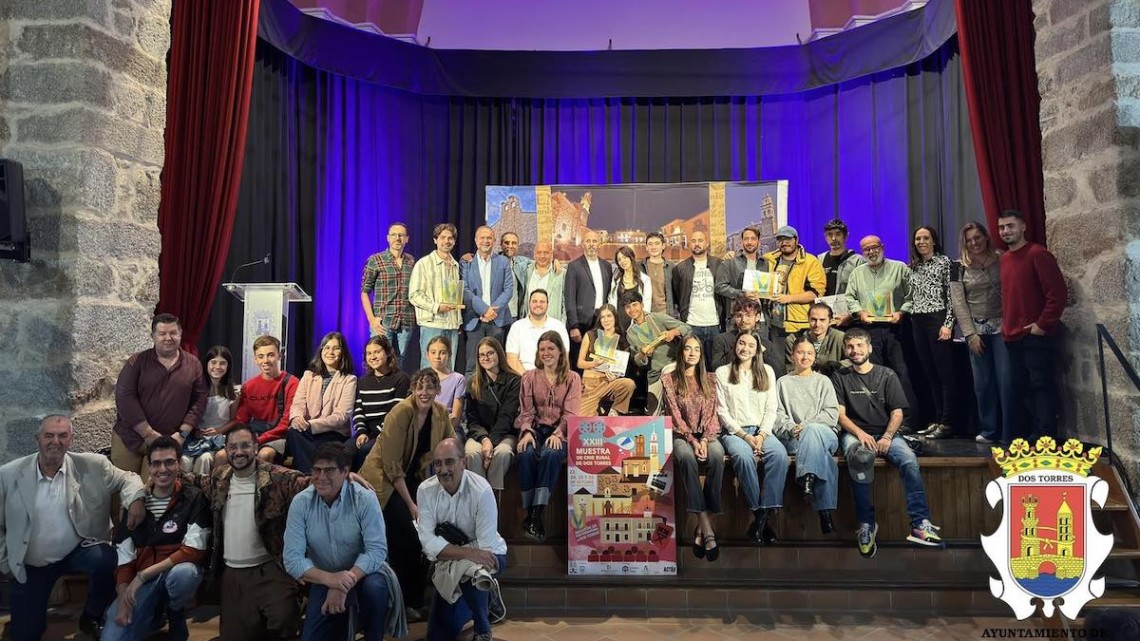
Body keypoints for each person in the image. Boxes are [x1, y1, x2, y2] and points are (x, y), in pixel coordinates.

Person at [0, 416, 146, 641]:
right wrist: (5, 560)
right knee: (26, 634)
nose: (55, 441)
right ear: (37, 439)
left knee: (108, 558)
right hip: (33, 563)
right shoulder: (8, 475)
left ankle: (92, 616)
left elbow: (128, 478)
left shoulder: (93, 465)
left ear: (71, 440)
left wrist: (136, 499)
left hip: (77, 549)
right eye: (49, 435)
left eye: (62, 436)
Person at [188, 424, 315, 640]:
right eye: (233, 447)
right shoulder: (220, 478)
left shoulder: (277, 477)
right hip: (232, 574)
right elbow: (197, 480)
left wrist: (348, 478)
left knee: (284, 624)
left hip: (270, 568)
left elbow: (312, 483)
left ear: (256, 447)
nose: (239, 452)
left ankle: (296, 600)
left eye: (245, 445)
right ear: (226, 450)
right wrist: (166, 477)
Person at [831, 328, 943, 558]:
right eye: (850, 346)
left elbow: (898, 413)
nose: (855, 350)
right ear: (845, 350)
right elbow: (841, 416)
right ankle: (866, 525)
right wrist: (861, 434)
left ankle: (920, 523)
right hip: (855, 434)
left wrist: (887, 437)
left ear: (870, 348)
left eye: (860, 345)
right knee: (860, 460)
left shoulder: (886, 374)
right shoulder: (840, 377)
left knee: (909, 461)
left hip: (886, 433)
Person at [359, 369, 457, 621]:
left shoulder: (439, 413)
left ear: (437, 391)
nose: (424, 393)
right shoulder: (401, 412)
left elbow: (452, 444)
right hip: (384, 482)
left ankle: (415, 601)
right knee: (408, 535)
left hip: (415, 480)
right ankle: (404, 603)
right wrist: (411, 504)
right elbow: (392, 465)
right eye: (420, 387)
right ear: (413, 389)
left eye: (430, 388)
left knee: (425, 535)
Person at [102, 436, 211, 641]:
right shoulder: (135, 503)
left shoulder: (193, 497)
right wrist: (123, 593)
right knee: (112, 637)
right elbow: (124, 553)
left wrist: (142, 576)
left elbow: (195, 549)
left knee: (185, 574)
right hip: (141, 580)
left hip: (169, 573)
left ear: (179, 464)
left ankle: (174, 609)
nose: (163, 469)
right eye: (157, 463)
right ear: (149, 467)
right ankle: (153, 614)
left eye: (169, 462)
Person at [284, 443, 391, 641]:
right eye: (316, 470)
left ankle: (374, 636)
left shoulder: (365, 498)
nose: (321, 477)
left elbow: (376, 550)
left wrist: (343, 582)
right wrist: (330, 579)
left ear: (345, 471)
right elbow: (292, 560)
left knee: (375, 587)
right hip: (324, 577)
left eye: (329, 470)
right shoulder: (301, 503)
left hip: (364, 575)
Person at [418, 439, 508, 641]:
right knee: (437, 635)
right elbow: (428, 543)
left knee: (473, 573)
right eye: (438, 463)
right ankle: (486, 601)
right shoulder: (425, 490)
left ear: (464, 462)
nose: (442, 470)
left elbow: (485, 549)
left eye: (449, 462)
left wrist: (452, 551)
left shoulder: (482, 490)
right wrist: (468, 552)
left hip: (491, 558)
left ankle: (483, 629)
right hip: (450, 561)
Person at [998, 209, 1068, 441]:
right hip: (1012, 336)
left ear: (1023, 227)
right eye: (1002, 227)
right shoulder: (1005, 259)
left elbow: (1057, 294)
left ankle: (1046, 439)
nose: (1006, 231)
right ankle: (1034, 435)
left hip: (1035, 336)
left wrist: (1042, 325)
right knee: (1022, 389)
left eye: (1010, 226)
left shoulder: (1038, 254)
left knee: (1041, 388)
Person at [112, 313, 208, 482]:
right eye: (162, 333)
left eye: (173, 333)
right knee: (121, 489)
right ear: (153, 336)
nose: (168, 338)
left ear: (180, 334)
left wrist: (182, 434)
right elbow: (124, 397)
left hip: (167, 442)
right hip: (129, 438)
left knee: (152, 492)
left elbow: (199, 400)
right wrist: (148, 433)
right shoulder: (137, 362)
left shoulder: (193, 364)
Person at [715, 331, 786, 545]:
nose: (745, 348)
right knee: (744, 458)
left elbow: (771, 407)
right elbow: (722, 411)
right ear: (735, 346)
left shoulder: (767, 371)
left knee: (780, 456)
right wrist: (746, 437)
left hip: (763, 431)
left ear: (757, 351)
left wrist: (762, 435)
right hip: (736, 432)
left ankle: (764, 515)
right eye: (741, 343)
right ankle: (759, 513)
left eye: (750, 345)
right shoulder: (722, 372)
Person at [950, 221, 1015, 444]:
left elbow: (1011, 291)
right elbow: (959, 303)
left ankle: (1010, 432)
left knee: (1006, 381)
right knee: (983, 384)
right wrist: (970, 335)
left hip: (1002, 326)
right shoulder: (956, 267)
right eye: (969, 240)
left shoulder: (1002, 258)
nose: (974, 242)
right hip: (976, 330)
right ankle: (989, 430)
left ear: (986, 237)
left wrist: (1010, 322)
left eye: (977, 237)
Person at [843, 235, 918, 424]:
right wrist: (859, 312)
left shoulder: (899, 268)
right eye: (866, 249)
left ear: (882, 247)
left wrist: (902, 312)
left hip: (896, 328)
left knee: (901, 373)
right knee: (873, 373)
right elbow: (850, 297)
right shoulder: (857, 273)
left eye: (874, 247)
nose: (871, 251)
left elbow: (912, 295)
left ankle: (907, 420)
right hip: (869, 330)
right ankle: (877, 418)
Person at [661, 335, 724, 561]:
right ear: (681, 353)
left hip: (706, 434)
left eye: (697, 349)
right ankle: (707, 526)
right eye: (688, 349)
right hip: (680, 434)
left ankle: (702, 529)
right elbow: (675, 416)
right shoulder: (669, 379)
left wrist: (705, 439)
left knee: (717, 455)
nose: (692, 353)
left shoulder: (710, 379)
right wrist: (692, 439)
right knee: (686, 458)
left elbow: (711, 413)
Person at [516, 331, 582, 542]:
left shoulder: (573, 378)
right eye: (542, 349)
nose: (546, 353)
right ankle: (530, 513)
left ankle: (537, 514)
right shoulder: (529, 377)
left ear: (560, 351)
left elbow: (571, 413)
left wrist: (559, 433)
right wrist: (526, 431)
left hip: (560, 431)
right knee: (525, 454)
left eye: (551, 349)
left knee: (551, 454)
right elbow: (526, 411)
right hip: (535, 429)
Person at [775, 335, 841, 535]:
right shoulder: (782, 383)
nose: (805, 357)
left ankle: (807, 477)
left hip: (824, 434)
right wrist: (792, 428)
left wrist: (805, 426)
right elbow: (777, 415)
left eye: (810, 353)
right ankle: (825, 512)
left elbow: (831, 414)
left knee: (812, 432)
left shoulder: (824, 382)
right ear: (793, 355)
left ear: (815, 356)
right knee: (824, 458)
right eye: (800, 352)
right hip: (794, 438)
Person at [270, 331, 357, 473]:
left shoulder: (349, 380)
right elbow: (298, 403)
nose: (330, 352)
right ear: (321, 350)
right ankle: (312, 475)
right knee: (293, 432)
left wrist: (310, 425)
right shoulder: (308, 375)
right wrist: (297, 417)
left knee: (314, 445)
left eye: (336, 348)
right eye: (327, 347)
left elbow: (341, 416)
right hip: (308, 430)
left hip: (333, 432)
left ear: (343, 352)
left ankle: (309, 476)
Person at [908, 226, 958, 439]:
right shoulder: (914, 266)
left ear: (934, 241)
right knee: (930, 374)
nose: (921, 242)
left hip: (937, 319)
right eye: (918, 238)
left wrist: (948, 324)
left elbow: (952, 296)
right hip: (918, 321)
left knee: (945, 374)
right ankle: (937, 419)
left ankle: (947, 423)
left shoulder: (945, 262)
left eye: (925, 238)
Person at [224, 335, 297, 468]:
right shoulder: (249, 386)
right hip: (254, 434)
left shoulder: (291, 383)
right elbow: (241, 420)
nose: (266, 360)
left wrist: (258, 440)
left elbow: (287, 422)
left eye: (270, 355)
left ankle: (259, 489)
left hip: (279, 436)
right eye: (261, 356)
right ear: (255, 359)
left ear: (279, 355)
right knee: (222, 455)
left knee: (264, 455)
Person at [464, 337, 522, 493]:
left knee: (502, 453)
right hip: (479, 434)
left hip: (505, 434)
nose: (486, 358)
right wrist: (484, 439)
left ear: (499, 354)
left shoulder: (515, 381)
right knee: (472, 453)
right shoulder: (473, 383)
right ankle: (479, 497)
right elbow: (472, 420)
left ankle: (493, 498)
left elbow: (507, 416)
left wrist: (492, 442)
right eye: (482, 355)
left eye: (490, 353)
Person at [462, 226, 516, 376]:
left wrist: (492, 311)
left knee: (496, 365)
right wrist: (484, 309)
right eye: (482, 238)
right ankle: (471, 398)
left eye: (489, 238)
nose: (485, 241)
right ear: (476, 240)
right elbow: (465, 290)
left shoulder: (503, 262)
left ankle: (495, 398)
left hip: (497, 320)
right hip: (474, 320)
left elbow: (508, 290)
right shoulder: (466, 263)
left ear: (494, 241)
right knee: (472, 366)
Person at [361, 222, 416, 368]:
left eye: (401, 235)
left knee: (399, 362)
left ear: (407, 239)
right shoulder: (376, 260)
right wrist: (371, 319)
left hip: (406, 321)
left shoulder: (411, 261)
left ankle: (396, 390)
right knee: (378, 361)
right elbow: (365, 292)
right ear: (388, 238)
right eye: (394, 235)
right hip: (383, 321)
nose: (397, 238)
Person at [352, 335, 411, 470]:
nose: (372, 357)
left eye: (377, 352)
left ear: (388, 353)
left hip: (388, 433)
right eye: (369, 353)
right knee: (344, 452)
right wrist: (361, 432)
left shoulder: (401, 379)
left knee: (364, 452)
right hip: (366, 432)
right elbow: (358, 411)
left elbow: (395, 414)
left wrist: (371, 435)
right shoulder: (362, 381)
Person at [410, 222, 463, 370]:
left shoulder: (455, 265)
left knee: (449, 369)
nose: (447, 241)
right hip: (432, 324)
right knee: (430, 369)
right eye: (443, 237)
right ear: (435, 240)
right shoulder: (424, 264)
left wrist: (457, 319)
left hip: (452, 325)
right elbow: (414, 295)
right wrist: (437, 307)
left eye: (450, 238)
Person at [761, 225, 826, 343]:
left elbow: (816, 293)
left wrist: (789, 298)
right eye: (780, 240)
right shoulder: (769, 259)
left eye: (788, 239)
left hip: (800, 324)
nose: (784, 243)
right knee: (777, 360)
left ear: (796, 240)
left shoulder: (810, 262)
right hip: (774, 324)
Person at [181, 345, 238, 474]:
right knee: (184, 459)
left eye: (222, 363)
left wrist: (218, 431)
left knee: (205, 459)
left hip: (218, 439)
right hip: (195, 438)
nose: (217, 367)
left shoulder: (233, 392)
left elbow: (235, 420)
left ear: (228, 366)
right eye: (213, 362)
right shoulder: (196, 390)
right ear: (206, 364)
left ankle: (202, 492)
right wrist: (194, 431)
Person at [671, 230, 723, 367]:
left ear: (707, 243)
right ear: (689, 244)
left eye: (700, 240)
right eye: (693, 241)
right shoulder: (680, 268)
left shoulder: (719, 265)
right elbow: (677, 294)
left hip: (715, 324)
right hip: (691, 325)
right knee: (692, 367)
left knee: (714, 366)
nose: (697, 244)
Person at [623, 290, 690, 393]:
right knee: (654, 407)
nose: (632, 309)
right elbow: (637, 361)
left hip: (673, 364)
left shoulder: (657, 318)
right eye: (628, 307)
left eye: (634, 305)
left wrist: (673, 332)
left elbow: (687, 328)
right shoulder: (630, 333)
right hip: (655, 374)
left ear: (642, 304)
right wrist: (642, 353)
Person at [564, 230, 613, 370]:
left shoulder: (607, 266)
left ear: (599, 244)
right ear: (583, 244)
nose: (591, 244)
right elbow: (569, 297)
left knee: (599, 361)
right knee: (579, 362)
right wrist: (573, 326)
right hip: (580, 323)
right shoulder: (574, 266)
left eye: (594, 241)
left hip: (601, 322)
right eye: (588, 241)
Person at [577, 304, 636, 417]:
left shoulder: (622, 340)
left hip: (608, 382)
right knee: (583, 419)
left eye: (609, 316)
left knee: (629, 384)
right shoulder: (590, 335)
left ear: (615, 318)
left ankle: (615, 410)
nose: (606, 320)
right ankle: (598, 410)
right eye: (603, 317)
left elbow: (622, 367)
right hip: (590, 383)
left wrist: (616, 376)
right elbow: (580, 363)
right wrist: (594, 363)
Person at [504, 289, 570, 374]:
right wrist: (529, 380)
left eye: (542, 302)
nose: (538, 305)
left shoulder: (558, 326)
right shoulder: (517, 327)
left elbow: (564, 358)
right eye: (534, 301)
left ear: (547, 304)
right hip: (523, 378)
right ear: (529, 303)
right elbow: (512, 359)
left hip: (553, 378)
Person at [710, 298, 784, 374]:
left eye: (748, 315)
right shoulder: (722, 340)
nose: (743, 320)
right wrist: (736, 349)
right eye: (739, 316)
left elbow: (780, 372)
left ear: (757, 317)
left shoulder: (765, 343)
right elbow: (716, 368)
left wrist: (763, 352)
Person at [715, 226, 765, 331]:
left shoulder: (766, 263)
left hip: (761, 321)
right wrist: (742, 294)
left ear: (758, 242)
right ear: (742, 241)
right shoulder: (730, 262)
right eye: (746, 239)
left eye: (753, 239)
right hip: (737, 320)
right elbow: (719, 287)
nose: (749, 242)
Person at [818, 218, 866, 325]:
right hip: (826, 319)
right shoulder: (819, 260)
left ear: (846, 236)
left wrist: (851, 315)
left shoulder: (857, 260)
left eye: (838, 234)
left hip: (851, 319)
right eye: (829, 235)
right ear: (825, 237)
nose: (834, 238)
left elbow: (864, 292)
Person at [784, 302, 846, 375]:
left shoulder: (840, 338)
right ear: (808, 319)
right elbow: (791, 369)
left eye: (822, 320)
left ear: (830, 321)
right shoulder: (793, 340)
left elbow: (854, 360)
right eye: (813, 320)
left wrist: (835, 365)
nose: (817, 324)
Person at [426, 335, 466, 432]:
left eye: (442, 353)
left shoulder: (458, 379)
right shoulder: (421, 379)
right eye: (433, 352)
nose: (437, 357)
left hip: (450, 429)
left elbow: (455, 418)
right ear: (427, 355)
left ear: (449, 355)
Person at [608, 245, 653, 331]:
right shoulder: (616, 279)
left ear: (631, 258)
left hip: (637, 324)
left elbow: (647, 304)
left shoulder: (645, 280)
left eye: (624, 257)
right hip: (618, 323)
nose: (622, 261)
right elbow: (611, 301)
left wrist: (642, 323)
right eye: (619, 259)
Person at [522, 241, 566, 323]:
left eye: (546, 252)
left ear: (551, 254)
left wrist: (562, 325)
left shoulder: (561, 273)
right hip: (529, 323)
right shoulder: (526, 271)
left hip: (552, 324)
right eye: (539, 253)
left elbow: (565, 302)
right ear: (534, 254)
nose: (542, 256)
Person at [500, 231, 534, 325]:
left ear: (517, 245)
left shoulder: (521, 262)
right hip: (497, 315)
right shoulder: (492, 262)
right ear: (501, 244)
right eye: (506, 243)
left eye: (514, 243)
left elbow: (541, 262)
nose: (510, 246)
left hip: (514, 315)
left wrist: (554, 261)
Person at [641, 232, 676, 317]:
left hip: (666, 315)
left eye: (657, 243)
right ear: (646, 247)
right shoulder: (639, 267)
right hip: (645, 314)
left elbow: (677, 293)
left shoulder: (671, 267)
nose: (653, 247)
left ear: (663, 246)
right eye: (650, 244)